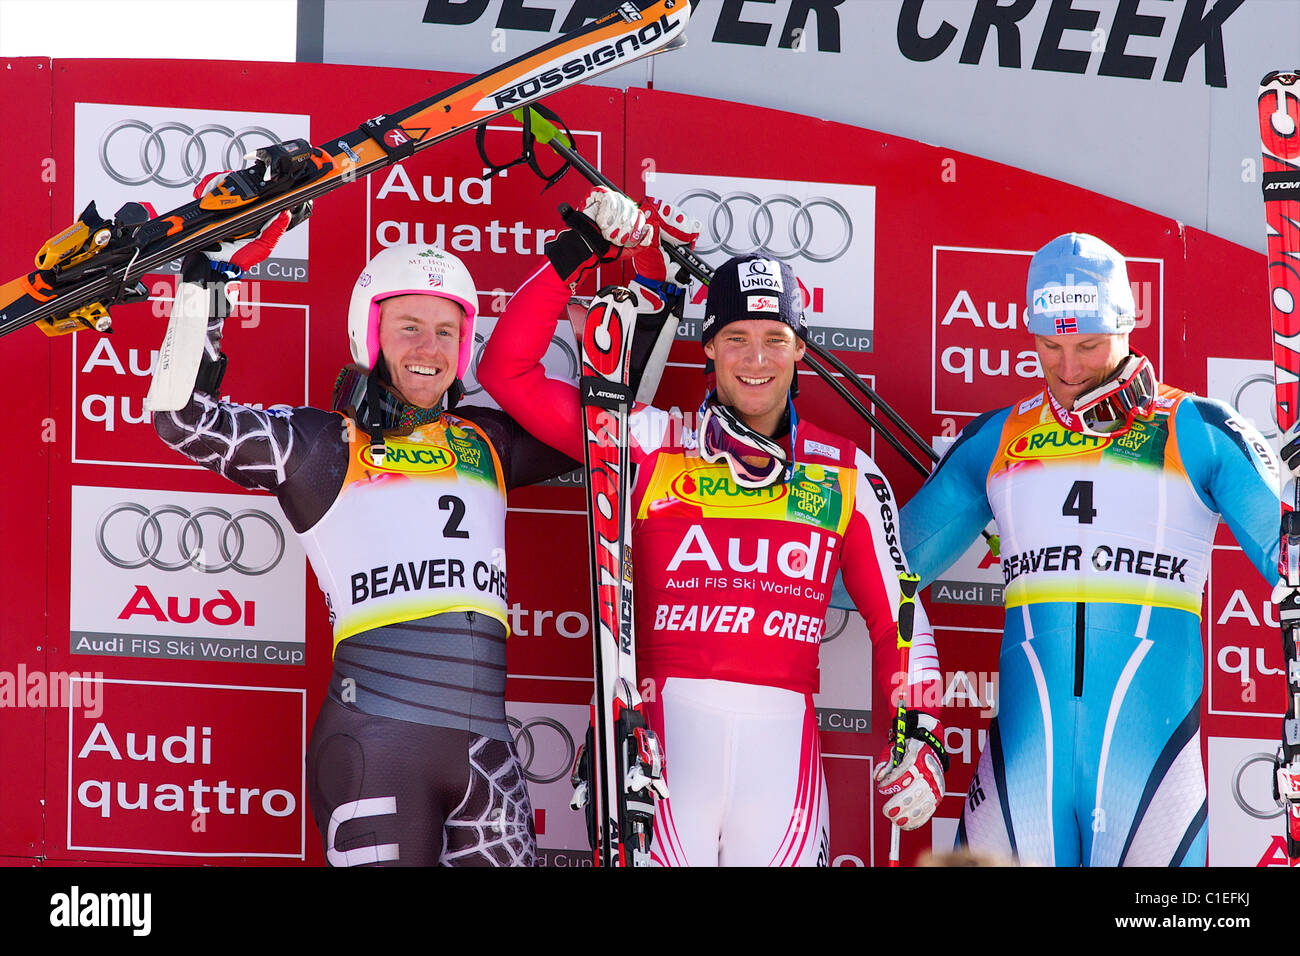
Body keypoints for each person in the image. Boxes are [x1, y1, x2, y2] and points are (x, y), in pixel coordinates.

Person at [478, 188, 947, 867]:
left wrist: (921, 730)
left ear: (800, 352)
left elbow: (898, 614)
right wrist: (574, 253)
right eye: (736, 339)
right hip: (658, 739)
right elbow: (508, 373)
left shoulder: (847, 473)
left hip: (782, 753)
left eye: (773, 340)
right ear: (708, 350)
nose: (755, 359)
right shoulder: (646, 440)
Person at [152, 209, 580, 864]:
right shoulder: (321, 444)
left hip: (489, 761)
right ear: (370, 333)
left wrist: (592, 266)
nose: (430, 349)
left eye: (446, 332)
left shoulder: (489, 442)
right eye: (408, 328)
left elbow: (610, 432)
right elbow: (182, 418)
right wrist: (206, 286)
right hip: (375, 754)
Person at [900, 232, 1282, 867]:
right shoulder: (998, 438)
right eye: (1050, 345)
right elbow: (884, 573)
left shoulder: (1199, 431)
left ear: (1128, 324)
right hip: (1023, 769)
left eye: (1088, 345)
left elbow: (1285, 554)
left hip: (1151, 773)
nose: (1069, 369)